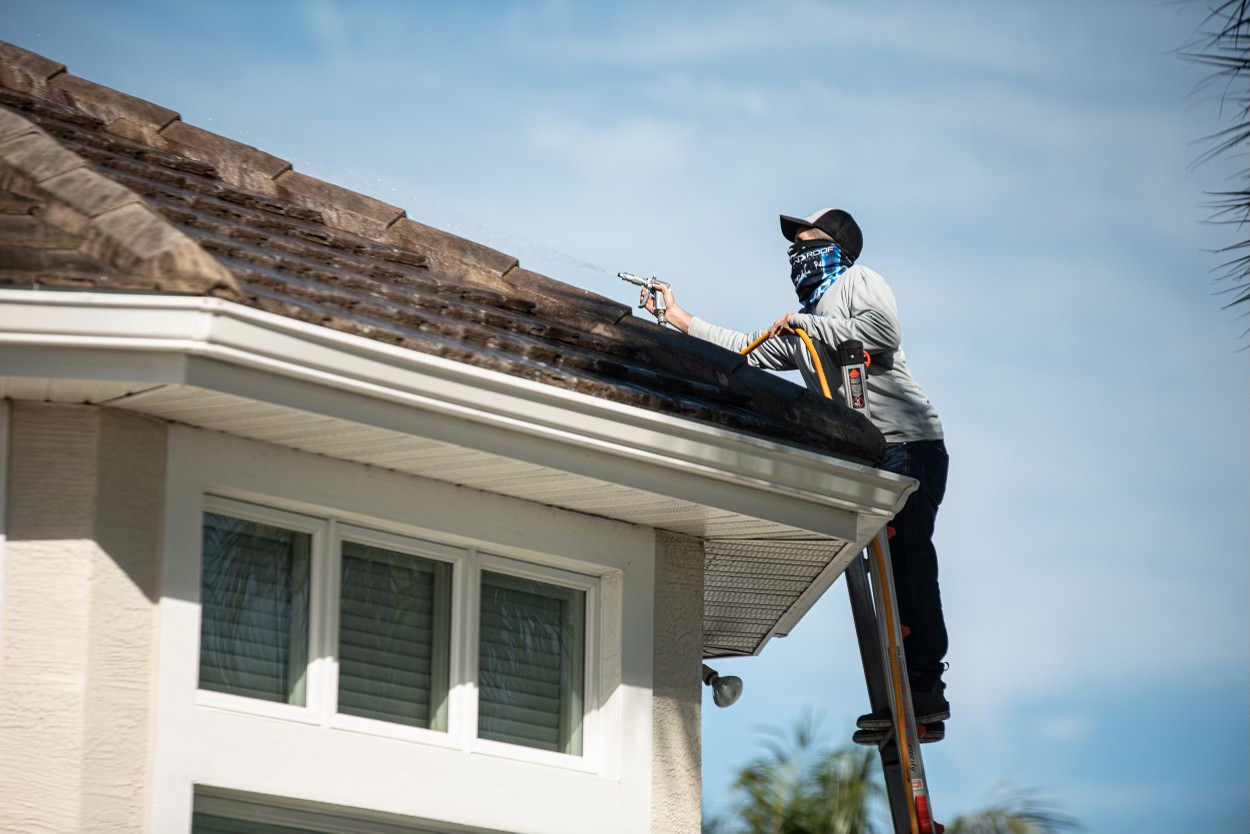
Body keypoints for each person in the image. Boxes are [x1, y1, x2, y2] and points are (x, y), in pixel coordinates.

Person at [642, 208, 950, 742]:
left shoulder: (858, 281)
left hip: (906, 442)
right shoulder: (811, 312)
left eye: (804, 238)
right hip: (872, 452)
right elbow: (748, 352)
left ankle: (925, 689)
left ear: (835, 244)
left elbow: (881, 333)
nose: (795, 249)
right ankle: (907, 694)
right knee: (885, 575)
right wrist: (679, 318)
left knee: (909, 566)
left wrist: (807, 323)